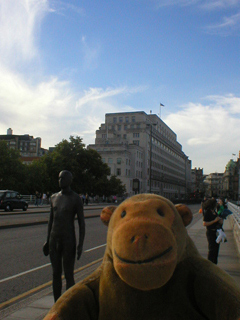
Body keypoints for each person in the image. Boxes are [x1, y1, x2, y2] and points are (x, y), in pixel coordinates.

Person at [43, 170, 85, 302]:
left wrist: (80, 244)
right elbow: (51, 220)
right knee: (56, 273)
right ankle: (57, 304)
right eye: (59, 178)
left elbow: (81, 223)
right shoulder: (54, 197)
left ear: (69, 180)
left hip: (68, 240)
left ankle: (68, 305)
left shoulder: (75, 198)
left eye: (62, 178)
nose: (60, 180)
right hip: (54, 240)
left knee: (68, 275)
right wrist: (47, 240)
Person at [202, 198, 223, 264]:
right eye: (215, 203)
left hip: (216, 232)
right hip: (210, 232)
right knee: (212, 249)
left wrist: (220, 221)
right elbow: (204, 223)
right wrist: (214, 221)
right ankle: (210, 264)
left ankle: (215, 264)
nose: (216, 204)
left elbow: (217, 221)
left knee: (216, 249)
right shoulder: (207, 212)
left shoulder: (214, 211)